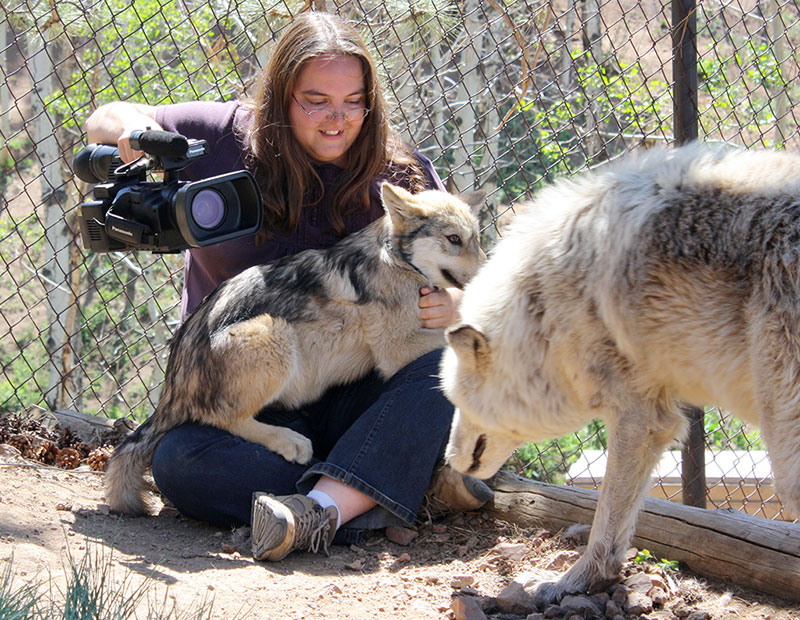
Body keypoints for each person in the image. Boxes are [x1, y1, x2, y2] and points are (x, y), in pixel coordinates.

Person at [84, 11, 492, 561]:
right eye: (315, 100)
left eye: (353, 101)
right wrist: (136, 135)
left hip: (354, 390)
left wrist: (454, 305)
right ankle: (375, 487)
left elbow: (464, 279)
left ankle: (320, 510)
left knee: (444, 369)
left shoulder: (401, 176)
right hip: (253, 394)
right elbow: (104, 119)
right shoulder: (223, 138)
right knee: (181, 464)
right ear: (281, 96)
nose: (336, 119)